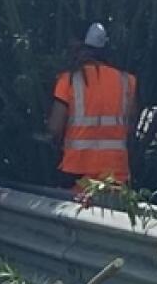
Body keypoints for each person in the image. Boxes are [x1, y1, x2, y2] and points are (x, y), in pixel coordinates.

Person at [47, 23, 139, 193]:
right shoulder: (127, 82)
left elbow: (55, 127)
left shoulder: (68, 80)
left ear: (79, 47)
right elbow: (131, 127)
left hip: (77, 170)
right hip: (116, 171)